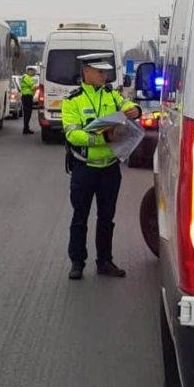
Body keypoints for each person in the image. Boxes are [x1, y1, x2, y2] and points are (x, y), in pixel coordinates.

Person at [62, 53, 141, 280]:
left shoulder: (111, 95)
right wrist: (101, 139)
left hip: (110, 168)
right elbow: (73, 135)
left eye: (106, 72)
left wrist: (134, 109)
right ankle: (77, 262)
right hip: (84, 168)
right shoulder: (73, 100)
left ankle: (105, 261)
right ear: (87, 72)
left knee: (107, 217)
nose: (105, 76)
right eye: (100, 72)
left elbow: (128, 106)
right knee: (80, 217)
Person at [20, 66, 37, 134]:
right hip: (27, 96)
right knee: (27, 113)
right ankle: (26, 129)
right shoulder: (26, 77)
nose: (34, 73)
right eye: (33, 71)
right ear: (29, 71)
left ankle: (26, 128)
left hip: (27, 96)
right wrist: (37, 87)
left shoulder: (28, 77)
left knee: (28, 113)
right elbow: (33, 86)